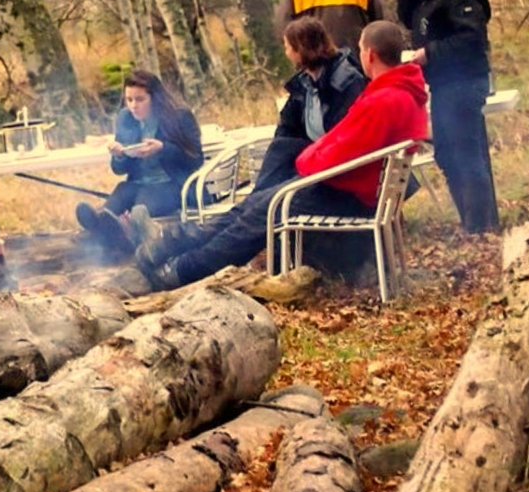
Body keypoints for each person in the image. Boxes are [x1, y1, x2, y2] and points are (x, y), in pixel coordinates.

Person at [131, 21, 429, 290]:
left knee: (259, 214)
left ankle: (182, 269)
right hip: (346, 185)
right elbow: (340, 140)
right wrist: (309, 157)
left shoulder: (386, 99)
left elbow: (341, 151)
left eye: (361, 49)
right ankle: (172, 244)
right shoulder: (397, 92)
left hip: (346, 193)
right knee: (253, 205)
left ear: (370, 55)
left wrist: (306, 160)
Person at [398, 0, 500, 234]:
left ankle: (481, 226)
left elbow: (471, 39)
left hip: (465, 82)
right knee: (448, 152)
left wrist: (429, 53)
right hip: (444, 83)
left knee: (464, 153)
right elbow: (409, 20)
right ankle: (474, 222)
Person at [75, 70, 202, 254]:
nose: (134, 106)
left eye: (140, 100)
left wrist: (162, 148)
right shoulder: (125, 118)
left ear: (155, 98)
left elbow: (195, 159)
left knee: (139, 209)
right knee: (118, 197)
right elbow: (118, 169)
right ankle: (102, 224)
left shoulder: (180, 116)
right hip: (137, 183)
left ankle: (115, 234)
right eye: (129, 100)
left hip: (171, 184)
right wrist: (119, 155)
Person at [256, 17, 368, 190]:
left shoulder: (346, 81)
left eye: (287, 47)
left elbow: (344, 134)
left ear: (299, 49)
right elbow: (287, 126)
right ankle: (257, 199)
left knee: (269, 198)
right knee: (281, 147)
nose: (286, 53)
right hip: (314, 155)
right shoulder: (305, 82)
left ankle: (259, 201)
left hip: (337, 166)